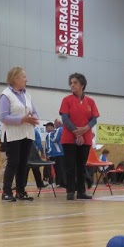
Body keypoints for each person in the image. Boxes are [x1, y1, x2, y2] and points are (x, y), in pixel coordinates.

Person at [0, 66, 41, 202]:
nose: (26, 79)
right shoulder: (6, 95)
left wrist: (34, 118)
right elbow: (3, 117)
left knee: (23, 163)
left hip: (27, 133)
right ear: (16, 79)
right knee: (13, 162)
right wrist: (22, 119)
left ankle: (21, 191)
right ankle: (6, 192)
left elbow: (35, 112)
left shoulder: (27, 95)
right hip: (13, 134)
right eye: (24, 77)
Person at [60, 73, 98, 201]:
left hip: (85, 138)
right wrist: (77, 132)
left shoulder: (90, 101)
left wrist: (85, 129)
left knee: (82, 166)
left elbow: (94, 119)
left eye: (75, 82)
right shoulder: (66, 100)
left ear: (82, 85)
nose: (72, 85)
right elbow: (65, 118)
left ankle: (81, 191)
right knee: (70, 166)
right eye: (71, 83)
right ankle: (70, 191)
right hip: (69, 138)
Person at [44, 121, 64, 187]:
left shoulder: (50, 134)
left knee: (54, 169)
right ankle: (60, 183)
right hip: (61, 153)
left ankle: (55, 182)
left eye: (47, 127)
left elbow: (48, 145)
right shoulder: (58, 132)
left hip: (54, 154)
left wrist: (48, 154)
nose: (46, 129)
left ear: (52, 127)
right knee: (60, 169)